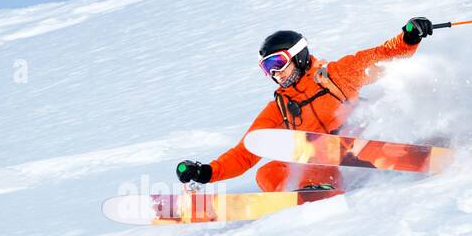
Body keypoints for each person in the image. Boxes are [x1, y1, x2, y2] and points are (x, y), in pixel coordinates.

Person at [175, 18, 433, 192]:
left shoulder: (336, 75)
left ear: (298, 56)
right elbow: (247, 150)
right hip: (323, 163)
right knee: (268, 173)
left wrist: (408, 38)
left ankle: (426, 141)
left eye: (278, 63)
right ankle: (311, 194)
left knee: (322, 144)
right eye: (267, 68)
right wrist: (207, 172)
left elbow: (381, 57)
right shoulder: (281, 107)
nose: (275, 74)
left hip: (357, 140)